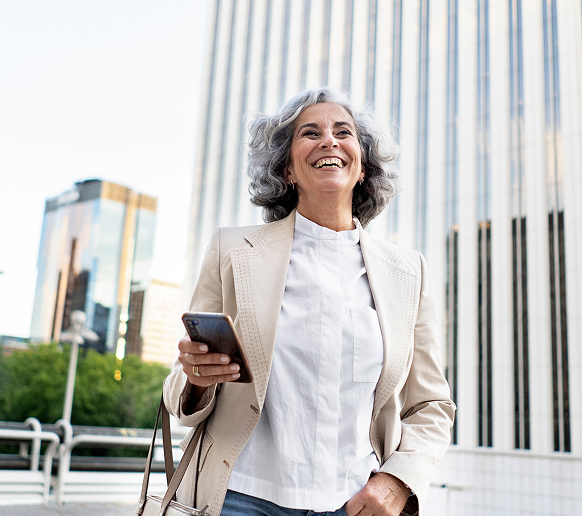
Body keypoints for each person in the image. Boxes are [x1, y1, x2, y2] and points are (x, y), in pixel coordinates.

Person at [162, 88, 455, 516]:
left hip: (355, 504)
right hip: (240, 498)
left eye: (343, 132)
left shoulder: (409, 272)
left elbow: (431, 405)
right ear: (287, 169)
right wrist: (197, 377)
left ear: (363, 167)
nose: (329, 140)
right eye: (310, 133)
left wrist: (398, 480)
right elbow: (178, 393)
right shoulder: (231, 251)